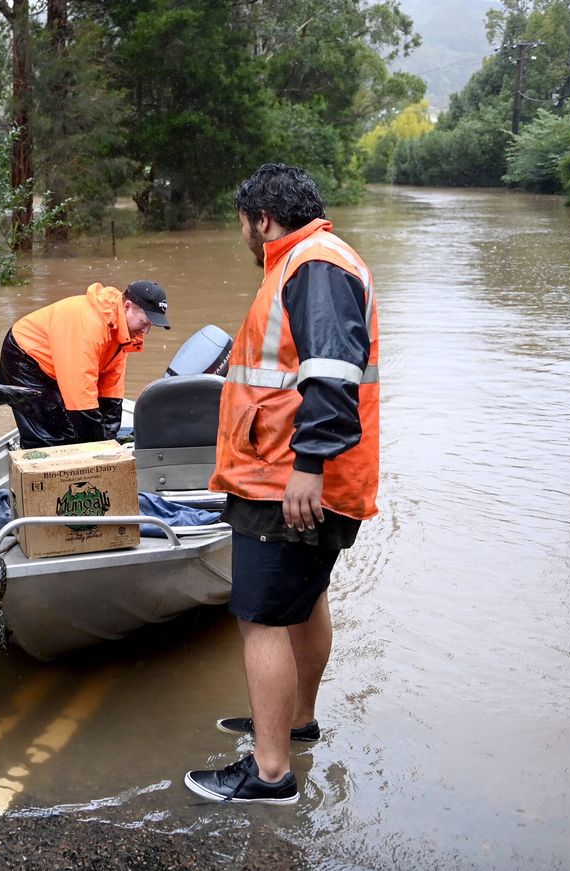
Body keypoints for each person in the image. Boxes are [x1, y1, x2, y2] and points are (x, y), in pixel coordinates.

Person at [183, 163, 380, 805]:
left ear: (261, 219)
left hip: (286, 480)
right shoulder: (316, 260)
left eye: (243, 225)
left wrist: (309, 465)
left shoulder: (313, 266)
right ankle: (294, 721)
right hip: (300, 477)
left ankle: (268, 772)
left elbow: (330, 370)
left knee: (260, 619)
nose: (244, 236)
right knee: (303, 602)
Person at [0, 279, 169, 448]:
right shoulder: (90, 325)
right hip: (25, 358)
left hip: (60, 365)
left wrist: (109, 439)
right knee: (54, 438)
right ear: (127, 306)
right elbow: (79, 395)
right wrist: (98, 448)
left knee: (82, 433)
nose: (145, 331)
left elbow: (111, 389)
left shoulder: (122, 332)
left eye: (150, 326)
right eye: (144, 322)